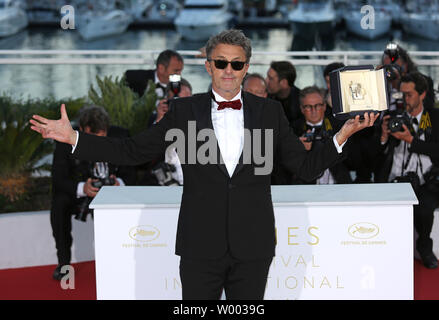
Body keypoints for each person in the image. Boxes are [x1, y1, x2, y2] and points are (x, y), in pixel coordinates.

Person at [30, 29, 378, 299]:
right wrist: (75, 139)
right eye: (221, 62)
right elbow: (133, 150)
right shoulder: (184, 111)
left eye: (237, 63)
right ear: (209, 65)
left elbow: (304, 166)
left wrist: (344, 132)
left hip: (253, 247)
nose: (229, 70)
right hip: (199, 246)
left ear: (246, 68)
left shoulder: (269, 112)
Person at [50, 105, 136, 280]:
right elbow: (59, 179)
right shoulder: (65, 140)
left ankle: (119, 261)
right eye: (92, 138)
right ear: (81, 129)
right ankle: (64, 263)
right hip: (81, 193)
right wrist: (83, 188)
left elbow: (132, 172)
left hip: (111, 192)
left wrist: (118, 183)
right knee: (59, 203)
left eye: (101, 137)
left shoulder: (120, 136)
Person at [376, 72, 439, 269]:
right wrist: (384, 136)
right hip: (395, 178)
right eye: (402, 95)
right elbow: (373, 155)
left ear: (422, 94)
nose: (405, 99)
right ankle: (387, 251)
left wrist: (411, 141)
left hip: (426, 180)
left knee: (425, 207)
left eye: (409, 94)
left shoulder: (435, 118)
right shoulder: (392, 117)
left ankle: (424, 246)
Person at [291, 86, 352, 185]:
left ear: (324, 106)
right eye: (308, 106)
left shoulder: (339, 126)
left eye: (317, 105)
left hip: (339, 184)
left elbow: (351, 158)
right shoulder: (293, 129)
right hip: (306, 186)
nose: (313, 110)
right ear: (302, 109)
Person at [381, 44, 435, 111]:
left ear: (405, 66)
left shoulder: (424, 82)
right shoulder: (380, 86)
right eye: (388, 68)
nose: (391, 72)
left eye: (395, 66)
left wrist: (400, 84)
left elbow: (427, 110)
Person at [265, 60, 302, 125]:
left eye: (270, 78)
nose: (266, 80)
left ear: (284, 83)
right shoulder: (265, 96)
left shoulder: (302, 102)